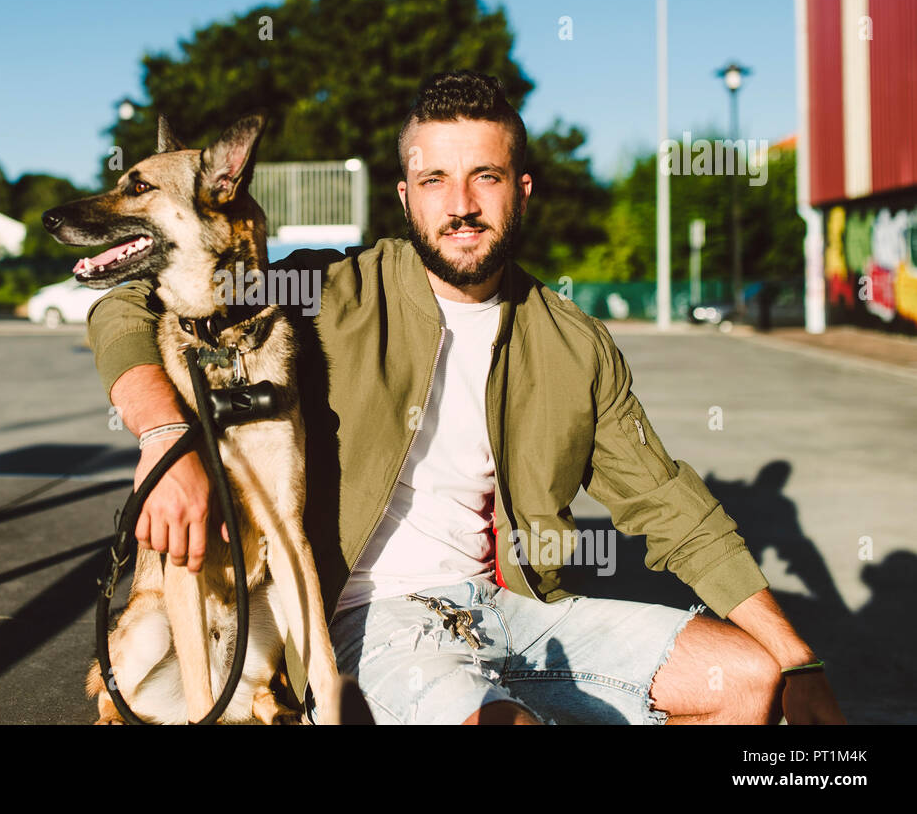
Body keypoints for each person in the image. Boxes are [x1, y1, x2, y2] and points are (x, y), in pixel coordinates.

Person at [86, 70, 845, 725]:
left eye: (484, 176)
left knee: (750, 679)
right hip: (371, 623)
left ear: (521, 188)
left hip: (519, 611)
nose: (461, 205)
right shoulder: (326, 289)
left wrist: (797, 655)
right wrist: (166, 436)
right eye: (434, 180)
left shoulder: (571, 340)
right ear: (404, 194)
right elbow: (127, 308)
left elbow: (669, 506)